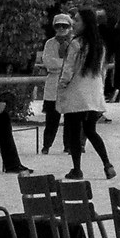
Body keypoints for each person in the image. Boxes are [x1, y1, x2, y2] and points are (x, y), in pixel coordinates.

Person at [56, 6, 115, 181]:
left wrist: (62, 85)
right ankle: (107, 164)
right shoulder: (99, 45)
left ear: (86, 23)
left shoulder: (76, 44)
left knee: (74, 133)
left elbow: (68, 69)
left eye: (77, 20)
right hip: (93, 94)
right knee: (91, 131)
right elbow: (102, 71)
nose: (73, 23)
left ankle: (77, 169)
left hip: (77, 93)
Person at [38, 10, 73, 152]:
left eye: (64, 26)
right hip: (53, 84)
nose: (61, 29)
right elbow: (48, 62)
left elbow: (74, 63)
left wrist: (60, 64)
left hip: (69, 84)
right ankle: (46, 145)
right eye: (58, 26)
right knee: (51, 119)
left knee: (70, 119)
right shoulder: (50, 43)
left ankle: (69, 146)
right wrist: (64, 64)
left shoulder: (74, 43)